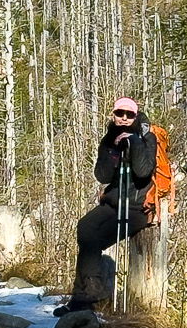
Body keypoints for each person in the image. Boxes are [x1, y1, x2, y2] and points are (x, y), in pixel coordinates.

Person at [64, 95, 158, 310]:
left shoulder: (147, 137)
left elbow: (143, 172)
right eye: (119, 113)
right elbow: (103, 176)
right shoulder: (109, 139)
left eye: (129, 114)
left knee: (92, 242)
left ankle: (84, 297)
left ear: (135, 116)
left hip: (137, 207)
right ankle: (87, 292)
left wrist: (134, 143)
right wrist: (113, 152)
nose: (124, 118)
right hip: (113, 202)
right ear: (113, 114)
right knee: (85, 227)